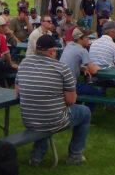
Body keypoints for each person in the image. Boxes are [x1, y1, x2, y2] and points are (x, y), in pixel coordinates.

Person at [16, 34, 91, 166]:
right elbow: (71, 100)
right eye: (55, 50)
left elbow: (18, 91)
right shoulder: (62, 69)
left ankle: (37, 156)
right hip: (52, 120)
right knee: (84, 112)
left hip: (28, 119)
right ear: (51, 51)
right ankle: (75, 155)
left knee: (44, 110)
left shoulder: (24, 63)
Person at [59, 28, 104, 111]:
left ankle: (76, 112)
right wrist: (97, 67)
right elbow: (93, 70)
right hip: (70, 85)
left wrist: (82, 68)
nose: (88, 39)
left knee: (82, 92)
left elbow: (70, 62)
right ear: (80, 39)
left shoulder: (69, 46)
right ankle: (86, 114)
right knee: (97, 93)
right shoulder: (82, 50)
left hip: (59, 83)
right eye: (86, 37)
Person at [89, 21, 115, 100]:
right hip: (106, 78)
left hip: (93, 76)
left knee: (105, 73)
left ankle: (101, 97)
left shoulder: (93, 43)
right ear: (111, 32)